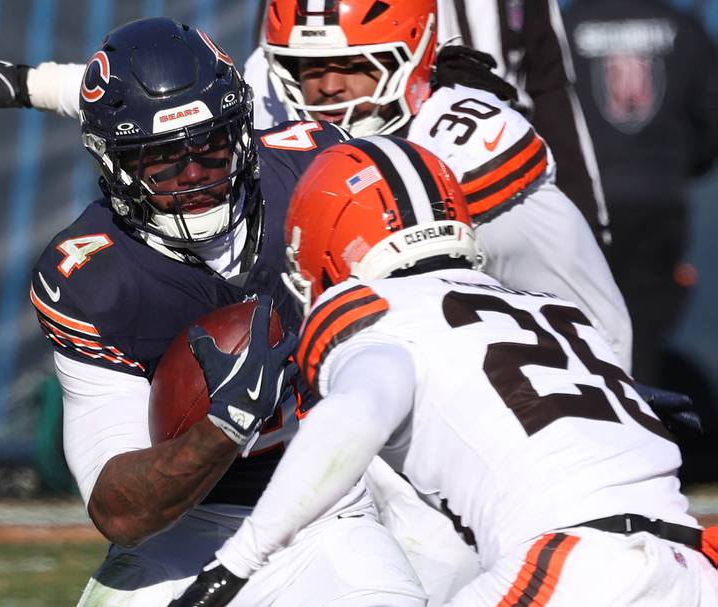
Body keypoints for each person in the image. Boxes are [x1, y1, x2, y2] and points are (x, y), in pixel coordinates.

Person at [0, 18, 428, 607]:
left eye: (211, 148)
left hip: (337, 504)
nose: (193, 175)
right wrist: (223, 425)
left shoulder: (320, 177)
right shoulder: (94, 277)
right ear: (113, 160)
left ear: (241, 132)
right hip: (188, 525)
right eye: (163, 158)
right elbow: (120, 510)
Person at [0, 0, 633, 374]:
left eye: (355, 66)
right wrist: (33, 84)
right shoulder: (270, 91)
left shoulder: (468, 139)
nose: (323, 89)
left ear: (413, 57)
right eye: (305, 68)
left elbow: (591, 315)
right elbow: (166, 112)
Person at [176, 135, 718, 607]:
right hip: (692, 562)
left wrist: (234, 566)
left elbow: (355, 415)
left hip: (580, 564)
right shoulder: (546, 309)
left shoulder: (380, 315)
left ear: (324, 244)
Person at [246, 0, 610, 245]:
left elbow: (551, 86)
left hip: (488, 164)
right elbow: (281, 68)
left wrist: (586, 216)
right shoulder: (276, 63)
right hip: (341, 178)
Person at [563, 0, 718, 387]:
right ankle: (646, 425)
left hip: (582, 202)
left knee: (581, 327)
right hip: (659, 199)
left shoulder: (564, 25)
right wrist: (676, 164)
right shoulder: (684, 28)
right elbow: (710, 120)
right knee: (645, 330)